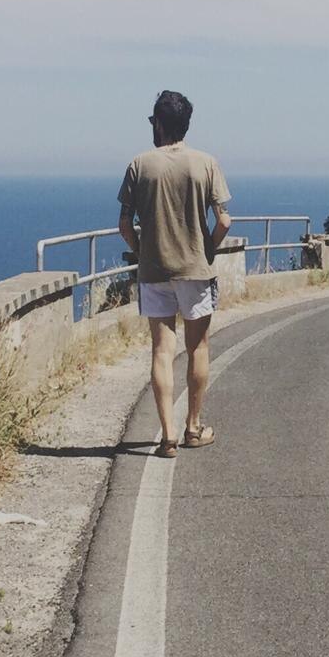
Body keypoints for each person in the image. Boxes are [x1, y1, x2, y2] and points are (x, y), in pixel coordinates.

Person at [117, 90, 233, 458]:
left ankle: (167, 436)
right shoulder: (206, 163)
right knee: (197, 346)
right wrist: (208, 248)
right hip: (197, 270)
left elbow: (123, 224)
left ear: (161, 124)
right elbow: (225, 221)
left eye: (154, 122)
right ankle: (193, 428)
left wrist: (141, 250)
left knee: (161, 351)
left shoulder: (140, 164)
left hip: (154, 270)